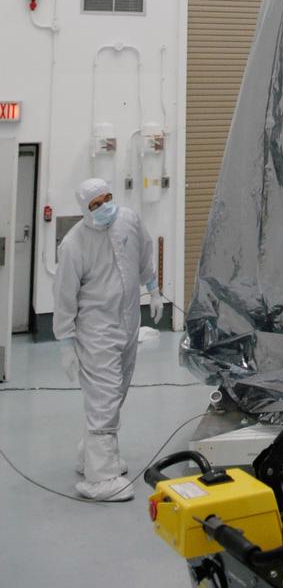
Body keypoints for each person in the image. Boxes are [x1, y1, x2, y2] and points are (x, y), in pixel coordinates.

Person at [53, 177, 164, 501]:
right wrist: (66, 343)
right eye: (95, 204)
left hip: (128, 323)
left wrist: (153, 289)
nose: (104, 207)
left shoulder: (128, 220)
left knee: (116, 393)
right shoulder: (73, 244)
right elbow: (64, 296)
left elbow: (144, 252)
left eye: (106, 199)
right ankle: (99, 479)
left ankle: (90, 455)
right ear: (85, 209)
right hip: (96, 331)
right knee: (104, 399)